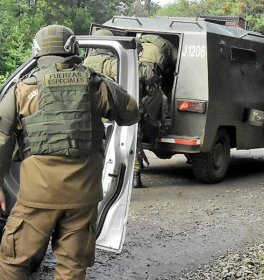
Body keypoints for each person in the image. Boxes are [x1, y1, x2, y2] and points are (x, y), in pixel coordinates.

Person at [0, 24, 139, 279]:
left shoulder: (22, 90)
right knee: (73, 266)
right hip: (83, 198)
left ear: (38, 52)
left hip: (37, 197)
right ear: (73, 49)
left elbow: (1, 139)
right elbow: (131, 112)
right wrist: (99, 80)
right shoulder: (96, 85)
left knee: (13, 260)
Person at [134, 34, 177, 188]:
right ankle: (135, 176)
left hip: (110, 109)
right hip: (132, 107)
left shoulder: (115, 61)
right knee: (134, 139)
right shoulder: (143, 68)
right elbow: (155, 92)